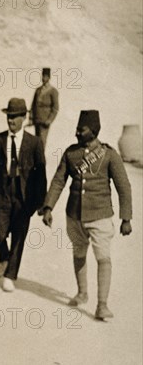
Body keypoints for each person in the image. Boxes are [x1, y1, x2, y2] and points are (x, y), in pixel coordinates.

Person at [41, 110, 132, 320]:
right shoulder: (71, 153)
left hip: (100, 216)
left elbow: (124, 187)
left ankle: (102, 305)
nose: (77, 133)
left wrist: (125, 218)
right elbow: (58, 181)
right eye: (77, 129)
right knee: (79, 253)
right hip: (74, 215)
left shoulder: (109, 154)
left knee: (103, 258)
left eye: (81, 130)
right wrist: (48, 207)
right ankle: (82, 292)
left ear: (94, 131)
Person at [0, 98, 47, 292]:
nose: (10, 121)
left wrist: (40, 202)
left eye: (14, 117)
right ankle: (4, 257)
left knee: (19, 237)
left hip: (24, 196)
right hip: (1, 192)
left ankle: (10, 275)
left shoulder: (34, 142)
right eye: (8, 117)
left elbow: (41, 174)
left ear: (23, 117)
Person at [30, 67, 59, 150]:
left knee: (42, 143)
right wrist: (31, 118)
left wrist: (50, 120)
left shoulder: (53, 91)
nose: (43, 78)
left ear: (49, 78)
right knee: (36, 141)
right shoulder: (38, 90)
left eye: (45, 76)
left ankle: (41, 161)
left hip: (45, 121)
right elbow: (33, 105)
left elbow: (55, 108)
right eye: (43, 76)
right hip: (37, 120)